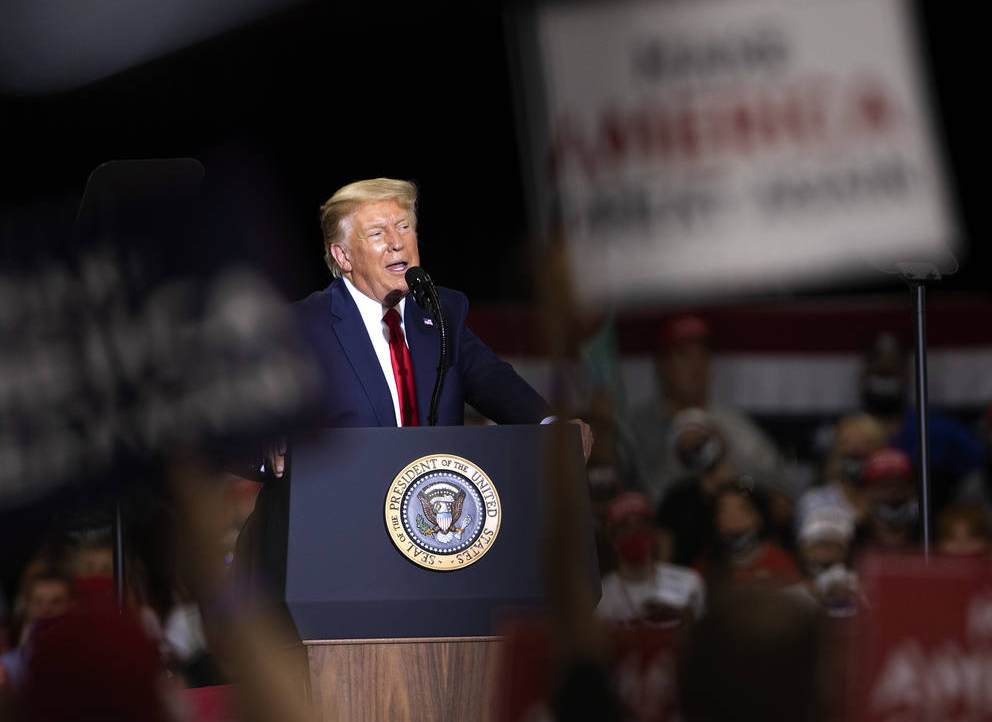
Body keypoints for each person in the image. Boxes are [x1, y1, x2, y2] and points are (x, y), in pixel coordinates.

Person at [243, 178, 591, 594]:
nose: (397, 243)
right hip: (336, 554)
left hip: (432, 546)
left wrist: (553, 427)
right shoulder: (303, 326)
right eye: (377, 233)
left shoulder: (442, 312)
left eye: (404, 227)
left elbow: (493, 379)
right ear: (342, 255)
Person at [625, 315, 786, 504]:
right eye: (683, 354)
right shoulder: (636, 427)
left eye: (704, 354)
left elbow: (779, 490)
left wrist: (736, 481)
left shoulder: (734, 427)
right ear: (661, 364)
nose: (696, 365)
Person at [859, 332, 982, 506]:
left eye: (894, 366)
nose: (885, 371)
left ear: (908, 374)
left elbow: (979, 466)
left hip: (934, 526)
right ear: (863, 374)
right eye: (877, 368)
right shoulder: (848, 435)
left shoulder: (940, 430)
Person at [597, 492, 705, 628]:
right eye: (625, 527)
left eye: (642, 524)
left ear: (653, 531)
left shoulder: (689, 584)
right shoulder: (600, 598)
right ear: (612, 538)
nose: (634, 532)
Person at [656, 410, 737, 567]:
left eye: (701, 440)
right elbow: (664, 556)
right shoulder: (675, 500)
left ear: (720, 438)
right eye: (686, 447)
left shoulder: (749, 491)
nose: (696, 449)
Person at [795, 412, 886, 533]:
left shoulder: (892, 501)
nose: (854, 450)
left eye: (864, 442)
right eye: (846, 442)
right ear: (835, 451)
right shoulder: (813, 502)